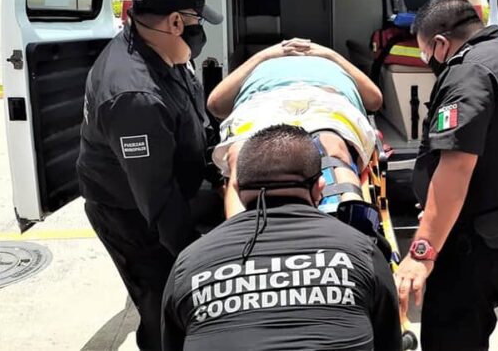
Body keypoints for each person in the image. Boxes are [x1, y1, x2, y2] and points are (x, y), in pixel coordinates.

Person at [76, 0, 223, 351]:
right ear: (176, 22)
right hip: (131, 214)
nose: (201, 32)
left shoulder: (160, 50)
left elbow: (193, 116)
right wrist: (198, 259)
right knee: (162, 305)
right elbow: (158, 199)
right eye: (197, 22)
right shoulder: (134, 95)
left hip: (165, 188)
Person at [395, 0, 498, 350]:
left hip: (474, 246)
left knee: (451, 338)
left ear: (440, 43)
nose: (427, 61)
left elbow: (457, 164)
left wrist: (421, 251)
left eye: (424, 53)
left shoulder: (469, 70)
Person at [161, 125, 401, 351]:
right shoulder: (362, 251)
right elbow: (388, 341)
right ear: (320, 186)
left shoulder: (189, 264)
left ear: (236, 187)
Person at [206, 40, 382, 220]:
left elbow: (375, 100)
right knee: (241, 152)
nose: (297, 48)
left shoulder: (331, 64)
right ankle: (240, 230)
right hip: (263, 101)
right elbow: (215, 104)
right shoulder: (262, 65)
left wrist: (331, 55)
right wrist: (264, 55)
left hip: (323, 98)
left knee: (330, 145)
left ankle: (351, 221)